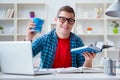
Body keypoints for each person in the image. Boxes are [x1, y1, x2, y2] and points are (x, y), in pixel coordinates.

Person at [25, 5, 96, 68]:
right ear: (56, 20)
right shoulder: (45, 39)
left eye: (70, 20)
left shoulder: (77, 41)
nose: (66, 23)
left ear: (73, 23)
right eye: (62, 19)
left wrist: (88, 60)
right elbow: (25, 57)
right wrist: (28, 38)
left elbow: (84, 71)